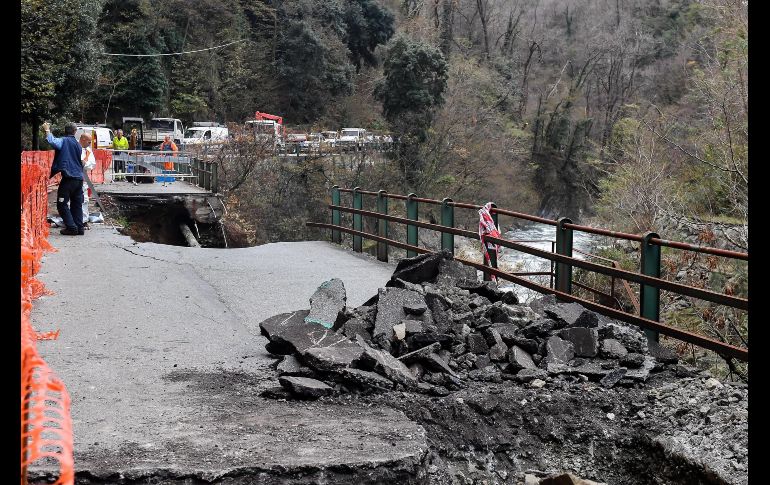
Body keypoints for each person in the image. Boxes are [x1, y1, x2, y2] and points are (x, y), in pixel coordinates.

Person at [44, 121, 85, 236]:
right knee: (77, 204)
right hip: (79, 179)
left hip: (69, 178)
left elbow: (52, 141)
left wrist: (47, 130)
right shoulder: (78, 145)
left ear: (65, 130)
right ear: (75, 131)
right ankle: (79, 228)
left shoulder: (63, 141)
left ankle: (72, 228)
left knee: (62, 204)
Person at [79, 133, 96, 226]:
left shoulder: (88, 151)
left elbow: (92, 163)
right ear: (83, 139)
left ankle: (83, 220)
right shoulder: (75, 147)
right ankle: (71, 219)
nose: (90, 144)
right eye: (89, 141)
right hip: (73, 177)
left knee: (84, 199)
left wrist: (85, 164)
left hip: (83, 177)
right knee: (71, 199)